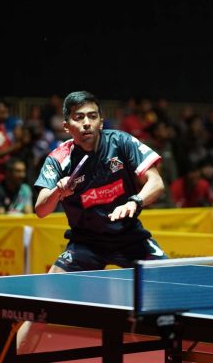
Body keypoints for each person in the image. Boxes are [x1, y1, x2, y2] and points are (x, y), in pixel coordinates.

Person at [16, 90, 168, 353]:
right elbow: (41, 209)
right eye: (79, 118)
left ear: (101, 120)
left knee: (178, 290)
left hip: (129, 237)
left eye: (92, 116)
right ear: (67, 126)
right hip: (86, 243)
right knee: (42, 309)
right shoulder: (59, 159)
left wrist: (135, 202)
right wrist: (57, 192)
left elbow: (156, 183)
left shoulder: (121, 142)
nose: (86, 123)